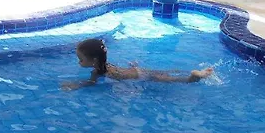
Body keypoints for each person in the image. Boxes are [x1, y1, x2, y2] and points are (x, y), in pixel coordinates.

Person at [62, 39, 214, 90]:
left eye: (81, 59)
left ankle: (193, 77)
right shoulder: (106, 64)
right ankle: (196, 73)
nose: (79, 62)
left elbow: (91, 83)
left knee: (173, 80)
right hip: (139, 71)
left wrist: (76, 85)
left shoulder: (96, 71)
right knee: (166, 73)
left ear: (94, 60)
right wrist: (133, 66)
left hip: (140, 77)